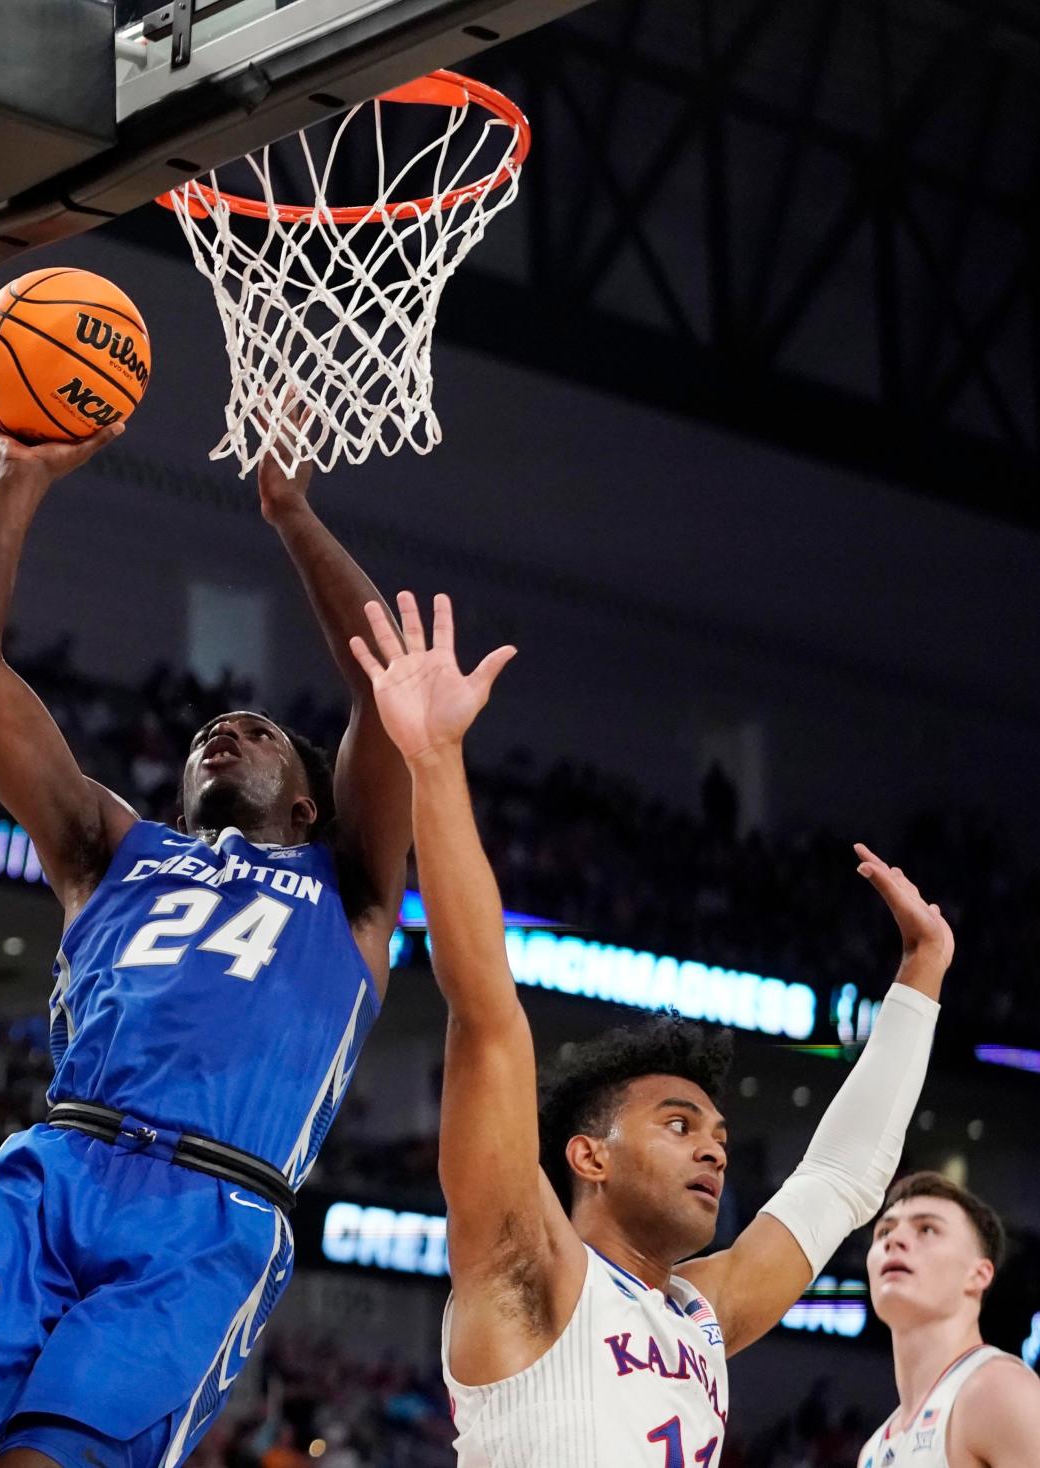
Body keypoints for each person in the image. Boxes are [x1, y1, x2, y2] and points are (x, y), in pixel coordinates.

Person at [0, 405, 411, 1468]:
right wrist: (21, 473)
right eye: (208, 735)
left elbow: (388, 684)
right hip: (55, 1171)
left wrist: (290, 510)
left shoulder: (350, 888)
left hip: (209, 1218)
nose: (225, 730)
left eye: (261, 733)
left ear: (313, 802)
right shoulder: (110, 847)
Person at [349, 590, 954, 1468]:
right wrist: (436, 762)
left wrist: (922, 973)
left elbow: (838, 1179)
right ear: (587, 1156)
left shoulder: (701, 1317)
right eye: (678, 1125)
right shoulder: (530, 1269)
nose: (714, 1150)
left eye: (717, 1133)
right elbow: (486, 1013)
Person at [858, 1172, 1040, 1467]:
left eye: (927, 1229)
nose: (894, 1241)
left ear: (979, 1274)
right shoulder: (872, 1451)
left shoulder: (999, 1390)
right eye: (884, 1232)